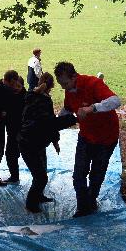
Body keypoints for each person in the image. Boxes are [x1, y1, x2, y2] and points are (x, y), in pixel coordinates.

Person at [54, 61, 121, 218]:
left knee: (97, 174)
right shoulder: (69, 90)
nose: (63, 87)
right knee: (79, 174)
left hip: (106, 138)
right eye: (60, 84)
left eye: (64, 83)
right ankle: (83, 207)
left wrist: (92, 108)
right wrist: (55, 121)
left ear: (74, 76)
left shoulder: (93, 83)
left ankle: (91, 201)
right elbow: (68, 109)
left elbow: (116, 101)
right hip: (86, 136)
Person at [19, 72, 76, 213]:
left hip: (36, 142)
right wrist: (73, 119)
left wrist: (55, 141)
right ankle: (31, 204)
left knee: (42, 172)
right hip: (29, 143)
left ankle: (39, 196)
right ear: (51, 86)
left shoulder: (34, 96)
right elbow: (49, 123)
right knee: (40, 177)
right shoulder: (41, 101)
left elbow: (49, 124)